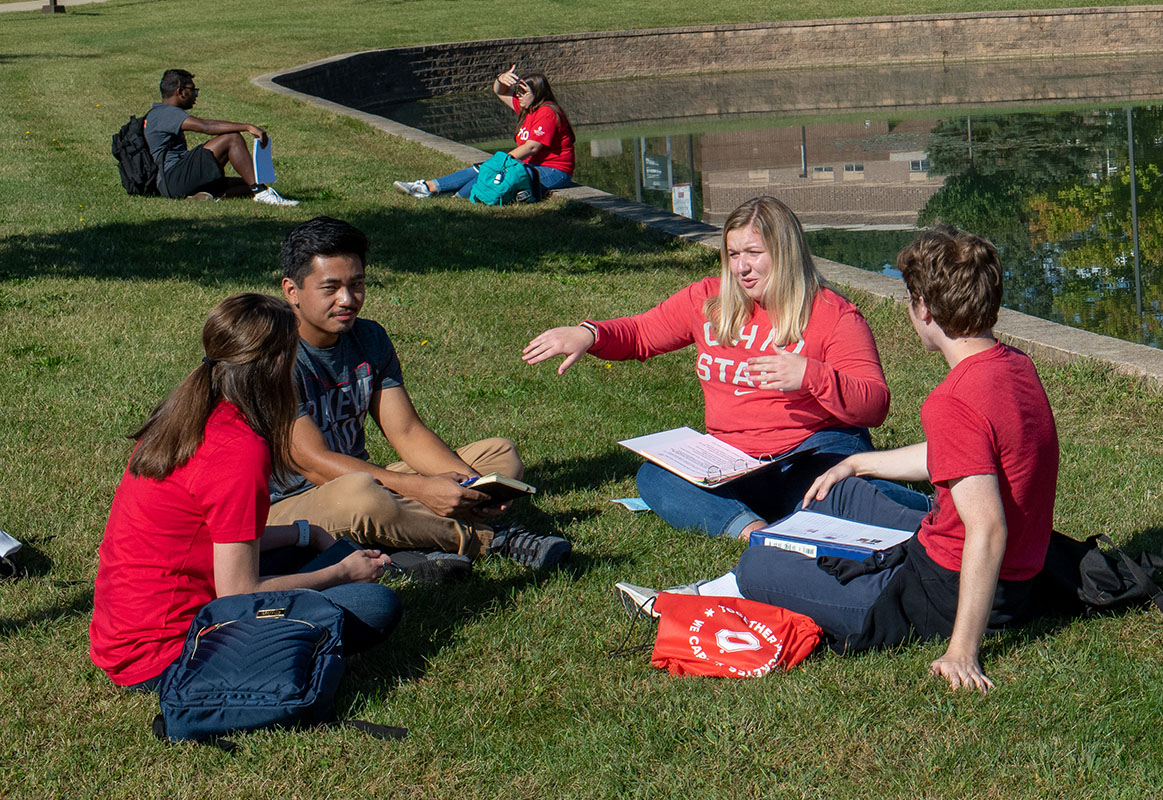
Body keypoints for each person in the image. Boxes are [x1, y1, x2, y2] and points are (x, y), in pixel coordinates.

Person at [617, 225, 1060, 693]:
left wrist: (961, 651)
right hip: (972, 564)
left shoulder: (953, 400)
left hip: (937, 592)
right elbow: (964, 454)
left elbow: (987, 528)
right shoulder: (1013, 365)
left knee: (758, 568)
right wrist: (857, 464)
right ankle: (814, 545)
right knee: (838, 492)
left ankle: (698, 596)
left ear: (924, 309)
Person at [524, 196, 913, 541]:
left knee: (837, 491)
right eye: (733, 254)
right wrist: (590, 334)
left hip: (812, 453)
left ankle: (925, 512)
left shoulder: (834, 315)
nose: (742, 267)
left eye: (754, 253)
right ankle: (754, 533)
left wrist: (811, 375)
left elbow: (874, 406)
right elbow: (642, 332)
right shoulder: (707, 299)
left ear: (786, 251)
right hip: (735, 462)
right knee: (655, 477)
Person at [90, 294, 401, 690]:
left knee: (316, 553)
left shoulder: (191, 415)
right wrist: (342, 572)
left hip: (128, 631)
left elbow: (219, 538)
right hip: (171, 654)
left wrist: (305, 532)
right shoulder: (240, 452)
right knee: (374, 605)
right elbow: (238, 593)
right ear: (277, 364)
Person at [267, 216, 571, 569]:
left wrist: (471, 487)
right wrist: (419, 489)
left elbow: (406, 432)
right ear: (292, 291)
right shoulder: (272, 356)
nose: (348, 299)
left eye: (357, 284)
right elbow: (315, 465)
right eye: (330, 288)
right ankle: (493, 539)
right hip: (287, 507)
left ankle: (405, 546)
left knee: (499, 455)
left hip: (361, 479)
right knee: (362, 497)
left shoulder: (369, 338)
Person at [394, 65, 575, 199]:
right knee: (483, 170)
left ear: (538, 93)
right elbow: (500, 91)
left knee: (490, 172)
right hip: (531, 167)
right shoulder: (527, 109)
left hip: (554, 172)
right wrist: (500, 79)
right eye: (517, 91)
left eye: (523, 92)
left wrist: (502, 162)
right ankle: (429, 188)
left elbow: (532, 147)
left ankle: (441, 192)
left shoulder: (547, 112)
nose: (518, 95)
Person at [143, 69, 298, 205]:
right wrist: (247, 127)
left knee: (248, 183)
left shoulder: (160, 113)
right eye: (192, 89)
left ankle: (207, 197)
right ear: (180, 91)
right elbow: (206, 126)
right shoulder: (165, 113)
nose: (196, 94)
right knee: (232, 138)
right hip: (172, 179)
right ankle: (261, 193)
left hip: (174, 182)